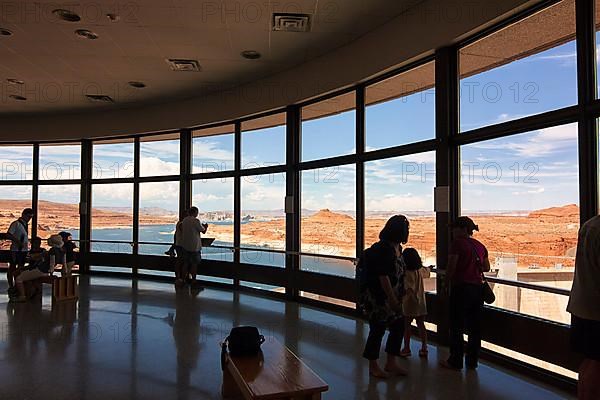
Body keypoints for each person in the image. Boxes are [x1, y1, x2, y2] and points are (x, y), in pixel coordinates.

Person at [360, 215, 410, 378]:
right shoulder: (383, 249)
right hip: (380, 299)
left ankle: (391, 362)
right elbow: (383, 277)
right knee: (377, 330)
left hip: (393, 297)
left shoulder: (397, 248)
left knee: (397, 327)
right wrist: (393, 299)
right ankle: (373, 366)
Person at [440, 216, 490, 371]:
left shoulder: (457, 244)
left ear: (462, 229)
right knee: (475, 328)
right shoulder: (480, 246)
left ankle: (455, 361)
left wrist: (445, 284)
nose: (452, 231)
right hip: (477, 291)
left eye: (454, 228)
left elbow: (451, 266)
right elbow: (487, 267)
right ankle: (472, 361)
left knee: (457, 326)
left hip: (461, 289)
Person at [567, 215, 600, 400]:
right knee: (596, 364)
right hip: (596, 311)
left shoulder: (589, 225)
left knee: (589, 362)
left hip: (581, 307)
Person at [12, 235, 65, 302]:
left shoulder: (52, 250)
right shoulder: (61, 250)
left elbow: (52, 262)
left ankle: (22, 296)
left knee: (19, 278)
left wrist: (51, 271)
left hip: (41, 270)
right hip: (44, 271)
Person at [400, 247, 430, 358]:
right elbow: (427, 272)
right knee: (421, 324)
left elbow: (408, 288)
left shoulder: (407, 273)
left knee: (407, 326)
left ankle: (407, 348)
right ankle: (424, 347)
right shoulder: (420, 270)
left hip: (409, 304)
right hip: (421, 303)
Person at [177, 206, 208, 288]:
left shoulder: (185, 220)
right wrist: (206, 227)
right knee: (194, 265)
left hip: (185, 246)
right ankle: (193, 282)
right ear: (195, 213)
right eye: (197, 212)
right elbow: (203, 231)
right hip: (195, 247)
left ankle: (183, 281)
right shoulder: (196, 220)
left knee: (185, 264)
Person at [6, 208, 34, 293]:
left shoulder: (24, 224)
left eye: (31, 217)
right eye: (28, 216)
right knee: (12, 268)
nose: (29, 218)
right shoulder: (16, 224)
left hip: (23, 250)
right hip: (16, 250)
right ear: (23, 215)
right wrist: (18, 242)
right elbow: (8, 234)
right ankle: (11, 286)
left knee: (20, 268)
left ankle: (17, 285)